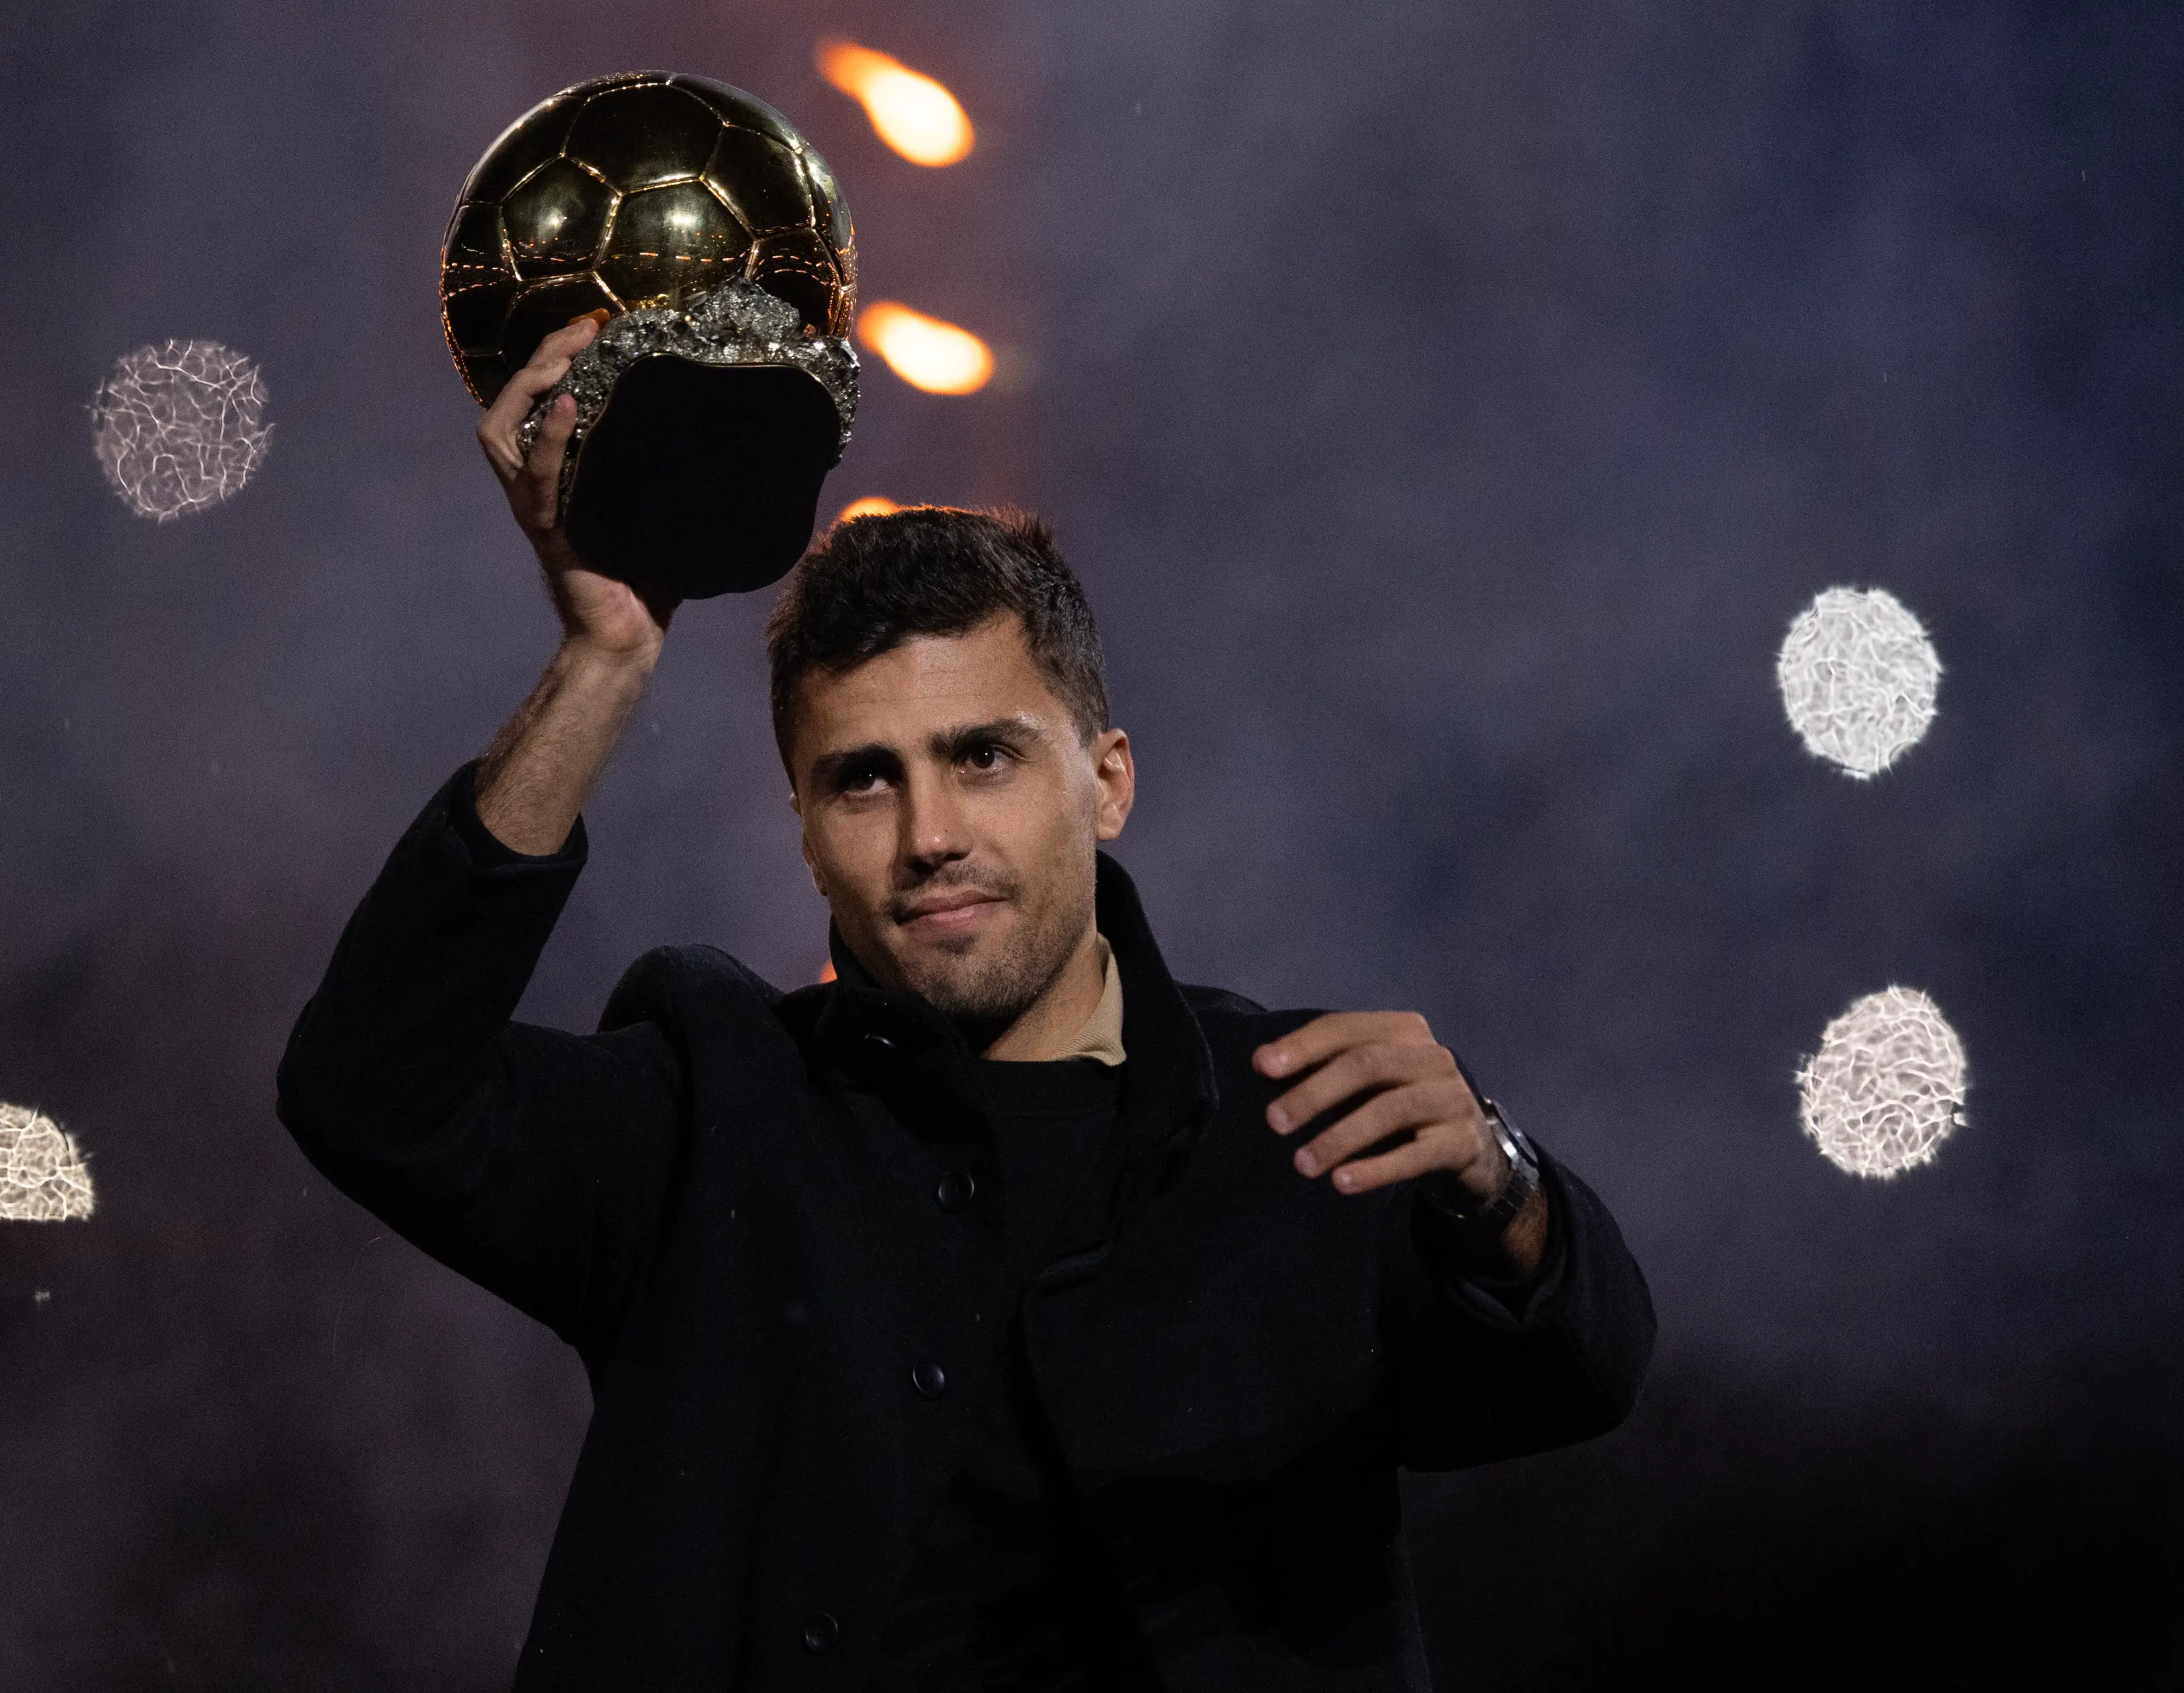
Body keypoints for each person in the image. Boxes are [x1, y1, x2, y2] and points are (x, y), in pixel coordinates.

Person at [277, 317, 1656, 1692]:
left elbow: (1580, 1377)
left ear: (1106, 780)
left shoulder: (1306, 1108)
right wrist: (603, 664)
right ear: (804, 828)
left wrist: (1500, 1179)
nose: (929, 831)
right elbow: (370, 1091)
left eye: (984, 755)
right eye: (864, 778)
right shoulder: (710, 1105)